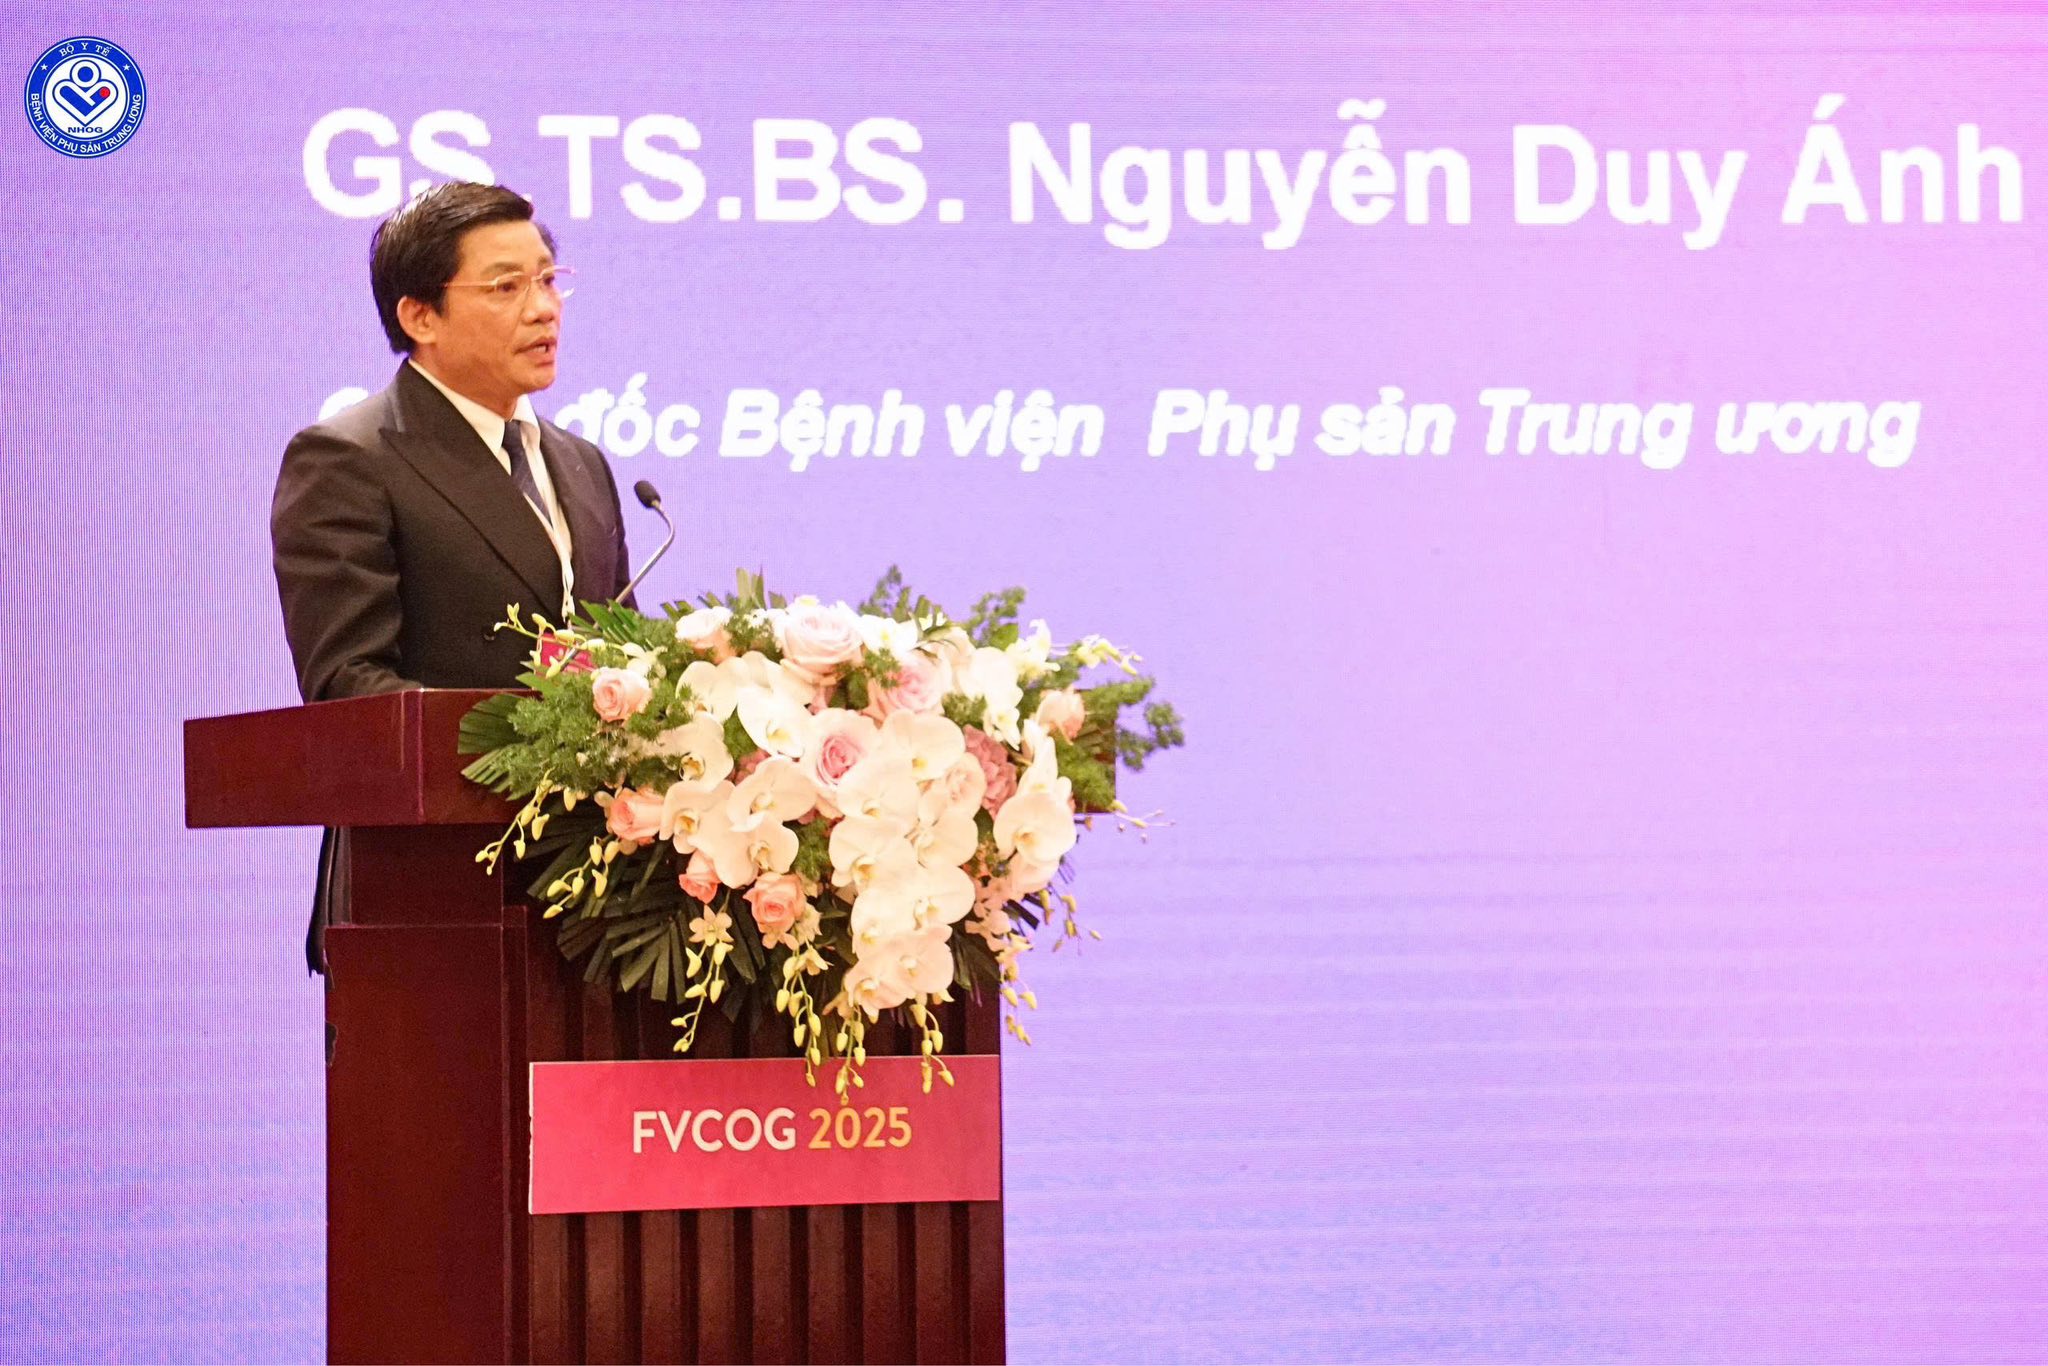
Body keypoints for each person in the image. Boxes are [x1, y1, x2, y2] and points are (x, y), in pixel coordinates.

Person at [271, 181, 638, 974]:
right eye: (506, 288)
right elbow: (349, 687)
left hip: (595, 896)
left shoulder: (581, 463)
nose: (543, 309)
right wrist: (534, 747)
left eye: (549, 280)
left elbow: (623, 653)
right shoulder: (348, 458)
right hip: (426, 890)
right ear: (420, 316)